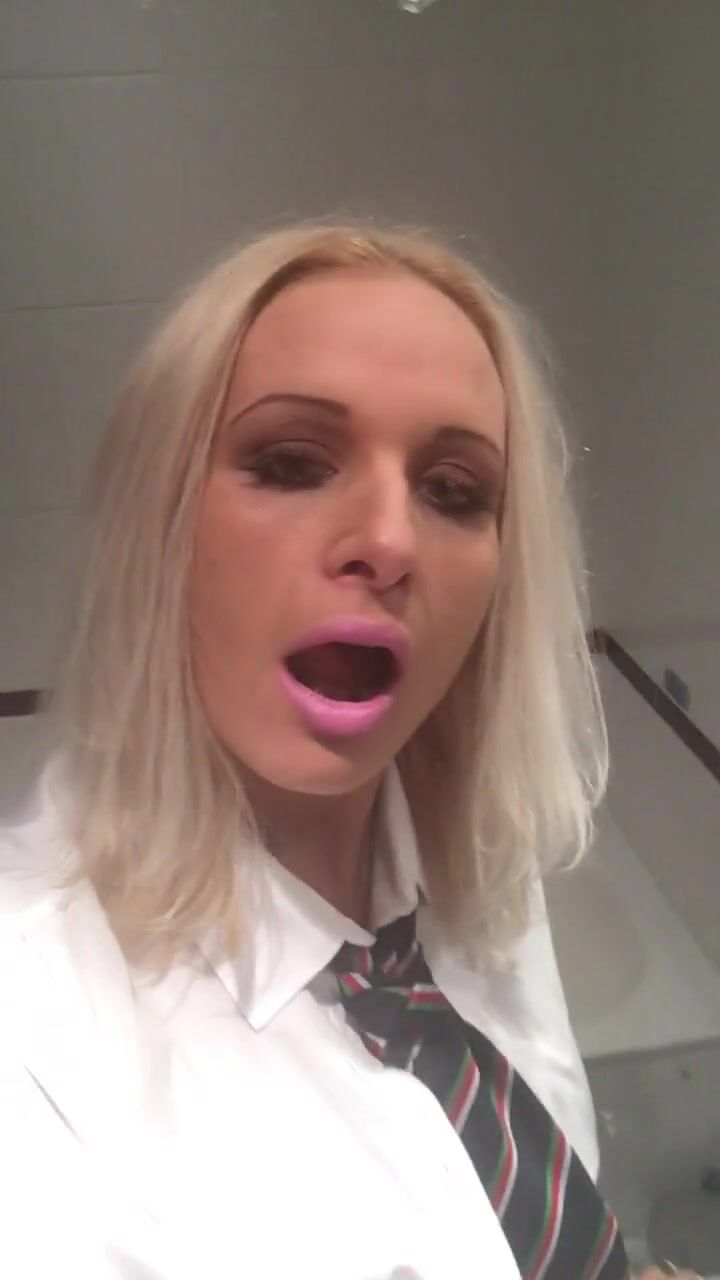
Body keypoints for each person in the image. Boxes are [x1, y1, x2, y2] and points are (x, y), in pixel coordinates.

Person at [0, 222, 686, 1279]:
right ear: (163, 523)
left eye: (454, 490)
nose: (392, 540)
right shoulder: (37, 1033)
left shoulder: (482, 869)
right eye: (291, 463)